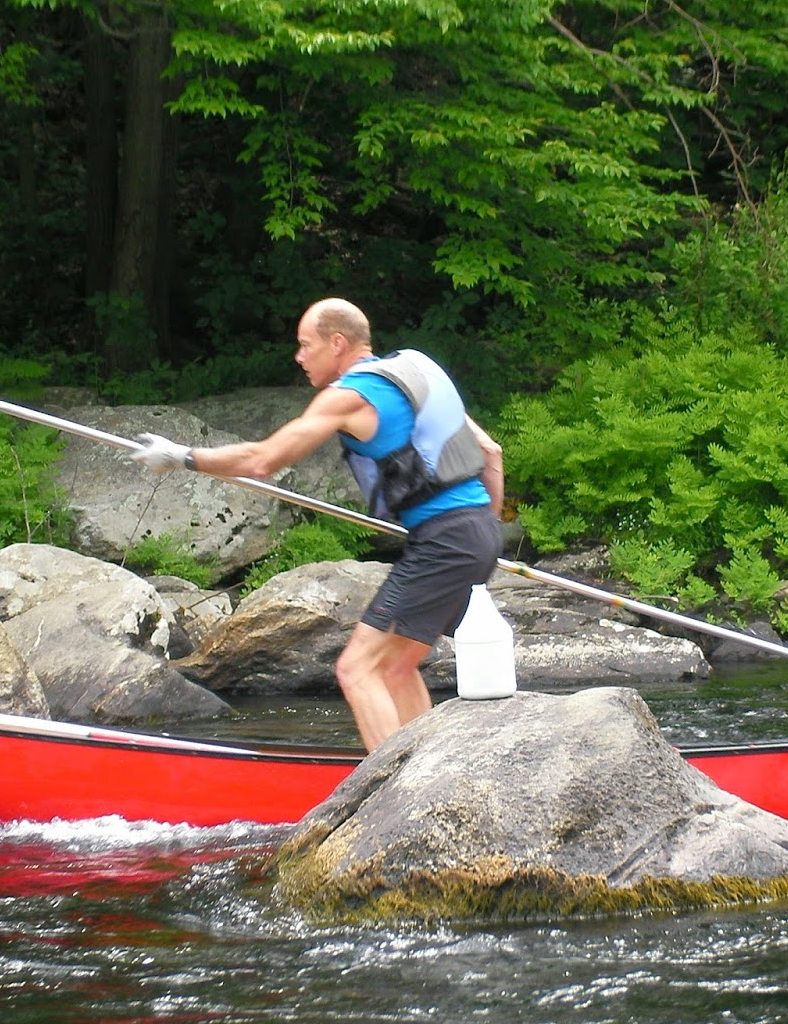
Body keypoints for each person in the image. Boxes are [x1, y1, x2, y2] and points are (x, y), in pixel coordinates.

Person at [128, 297, 505, 751]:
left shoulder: (349, 396)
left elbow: (263, 459)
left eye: (306, 345)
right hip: (476, 532)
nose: (299, 357)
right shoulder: (417, 369)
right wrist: (485, 534)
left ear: (338, 342)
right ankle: (429, 772)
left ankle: (389, 789)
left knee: (357, 669)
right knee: (397, 668)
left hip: (444, 541)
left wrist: (183, 457)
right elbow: (490, 453)